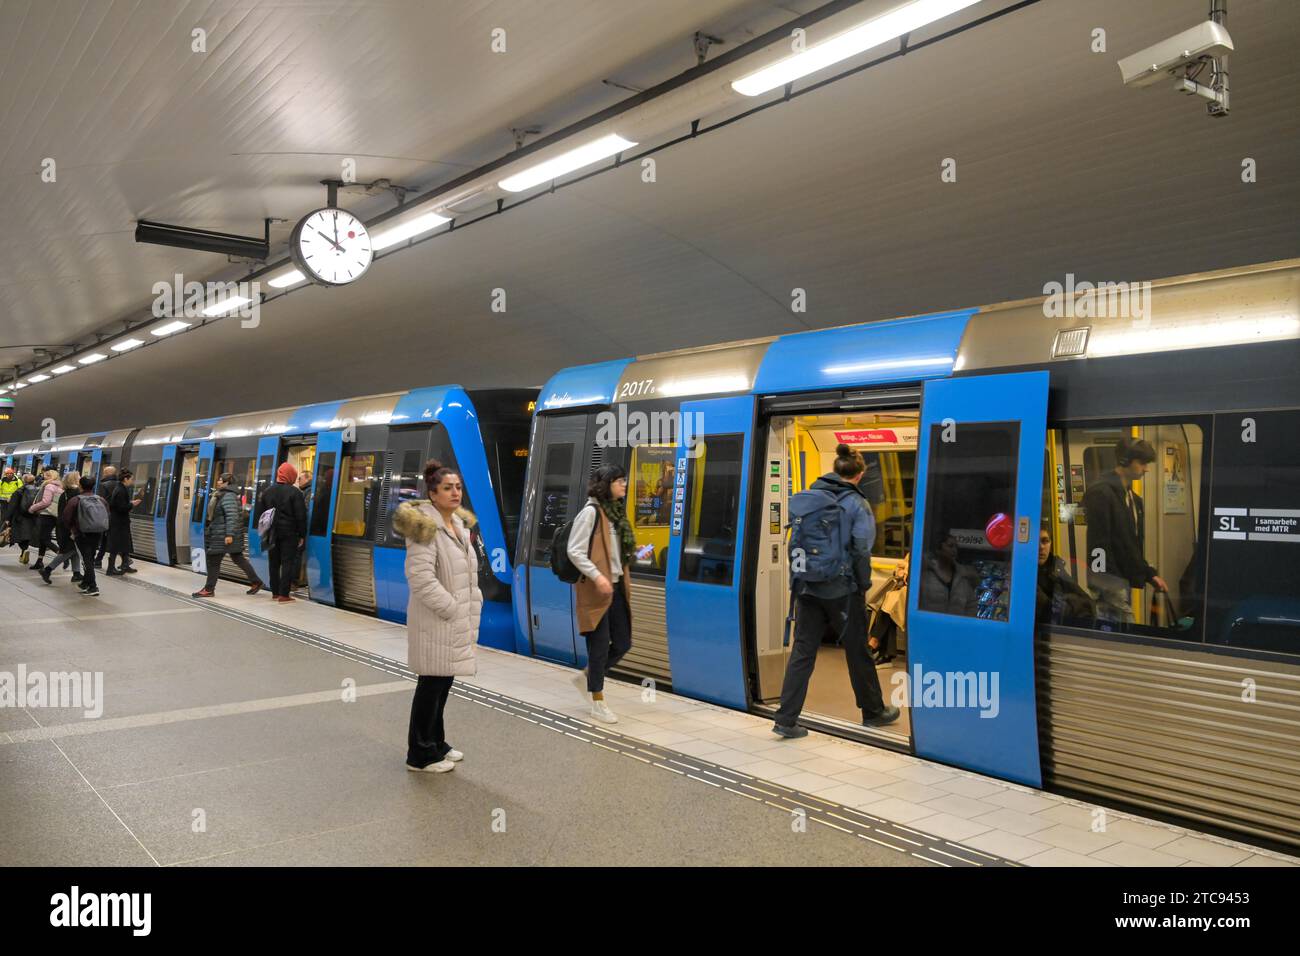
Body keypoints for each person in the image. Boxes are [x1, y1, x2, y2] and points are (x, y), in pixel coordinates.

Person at [773, 445, 899, 738]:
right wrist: (863, 585)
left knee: (803, 650)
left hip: (806, 585)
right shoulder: (857, 504)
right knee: (858, 650)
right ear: (860, 473)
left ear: (835, 469)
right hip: (842, 589)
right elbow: (861, 550)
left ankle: (785, 718)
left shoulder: (810, 495)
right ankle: (873, 711)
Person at [392, 458, 482, 773]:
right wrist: (451, 606)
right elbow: (419, 578)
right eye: (447, 488)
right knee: (430, 686)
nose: (455, 493)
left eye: (458, 487)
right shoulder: (425, 529)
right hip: (436, 622)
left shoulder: (457, 524)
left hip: (452, 623)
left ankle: (436, 742)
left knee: (442, 683)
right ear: (433, 494)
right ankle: (419, 754)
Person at [566, 464, 635, 725]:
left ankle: (587, 678)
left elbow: (615, 553)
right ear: (606, 485)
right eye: (619, 481)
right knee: (599, 646)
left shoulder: (616, 514)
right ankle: (597, 701)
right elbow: (575, 550)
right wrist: (597, 577)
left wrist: (637, 554)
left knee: (623, 643)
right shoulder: (591, 513)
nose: (624, 485)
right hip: (597, 589)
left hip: (616, 587)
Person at [1082, 436, 1168, 628]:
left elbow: (1130, 545)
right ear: (1125, 460)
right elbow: (1099, 545)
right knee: (1123, 637)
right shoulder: (1101, 493)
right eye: (1142, 463)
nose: (1146, 469)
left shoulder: (1133, 499)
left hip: (1122, 582)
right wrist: (1107, 582)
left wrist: (1148, 574)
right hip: (1109, 584)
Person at [192, 473, 265, 598]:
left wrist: (229, 534)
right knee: (238, 558)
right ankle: (256, 581)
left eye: (221, 480)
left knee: (213, 560)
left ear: (227, 482)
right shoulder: (222, 494)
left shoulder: (228, 496)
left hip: (224, 535)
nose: (218, 481)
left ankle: (209, 589)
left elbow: (232, 516)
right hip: (222, 532)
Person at [257, 462, 307, 602]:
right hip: (289, 534)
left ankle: (274, 592)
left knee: (273, 563)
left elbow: (261, 515)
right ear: (290, 476)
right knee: (287, 563)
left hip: (272, 533)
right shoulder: (295, 492)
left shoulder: (267, 491)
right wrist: (302, 535)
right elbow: (300, 516)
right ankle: (284, 594)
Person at [1036, 527, 1094, 626]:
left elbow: (1088, 603)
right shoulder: (1025, 576)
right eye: (1035, 541)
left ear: (1050, 544)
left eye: (1045, 541)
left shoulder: (1055, 568)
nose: (1041, 547)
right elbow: (1048, 610)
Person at [918, 532, 980, 615]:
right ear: (938, 550)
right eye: (950, 546)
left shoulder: (962, 578)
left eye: (956, 547)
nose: (954, 550)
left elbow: (971, 605)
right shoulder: (926, 576)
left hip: (955, 626)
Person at [40, 472, 84, 585]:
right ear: (75, 480)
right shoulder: (77, 493)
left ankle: (76, 573)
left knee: (74, 550)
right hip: (71, 526)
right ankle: (48, 570)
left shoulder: (65, 493)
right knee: (69, 550)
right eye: (79, 477)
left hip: (63, 525)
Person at [103, 470, 142, 576]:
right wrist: (132, 504)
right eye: (131, 479)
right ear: (126, 479)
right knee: (116, 546)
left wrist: (129, 503)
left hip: (119, 522)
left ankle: (125, 565)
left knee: (124, 544)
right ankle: (110, 569)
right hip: (119, 522)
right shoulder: (121, 490)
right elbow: (120, 507)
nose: (132, 481)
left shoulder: (120, 488)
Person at [70, 475, 104, 597]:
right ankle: (86, 583)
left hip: (81, 534)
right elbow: (107, 515)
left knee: (87, 560)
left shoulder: (76, 500)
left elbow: (66, 517)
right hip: (97, 534)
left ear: (80, 486)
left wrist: (73, 530)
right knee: (90, 557)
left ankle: (93, 586)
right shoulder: (101, 500)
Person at [27, 469, 63, 571]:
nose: (43, 477)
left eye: (45, 476)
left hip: (47, 514)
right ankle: (39, 561)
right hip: (55, 515)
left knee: (43, 538)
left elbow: (45, 502)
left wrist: (32, 508)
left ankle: (61, 554)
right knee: (44, 538)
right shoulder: (60, 487)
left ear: (49, 476)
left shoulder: (49, 486)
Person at [93, 465, 118, 568]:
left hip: (105, 515)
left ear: (108, 473)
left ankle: (98, 560)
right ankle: (125, 559)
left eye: (104, 472)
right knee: (111, 539)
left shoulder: (103, 485)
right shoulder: (120, 484)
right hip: (116, 516)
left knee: (102, 539)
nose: (103, 474)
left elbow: (100, 501)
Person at [10, 474, 38, 565]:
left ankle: (23, 551)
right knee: (27, 535)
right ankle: (23, 552)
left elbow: (12, 506)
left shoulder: (19, 491)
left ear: (24, 481)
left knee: (19, 535)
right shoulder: (38, 490)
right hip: (32, 517)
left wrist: (7, 518)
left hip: (20, 517)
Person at [0, 467, 21, 546]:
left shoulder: (18, 481)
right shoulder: (2, 481)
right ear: (5, 474)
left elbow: (20, 490)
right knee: (3, 517)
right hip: (3, 502)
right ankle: (2, 533)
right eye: (8, 473)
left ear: (13, 473)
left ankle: (10, 534)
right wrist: (3, 497)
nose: (9, 474)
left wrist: (12, 498)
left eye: (11, 473)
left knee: (11, 518)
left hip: (13, 502)